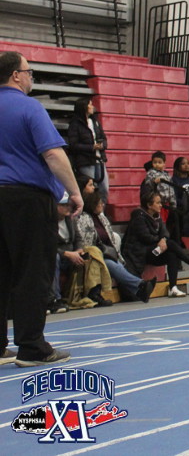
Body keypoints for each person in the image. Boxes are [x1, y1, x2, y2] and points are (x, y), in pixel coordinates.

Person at [0, 51, 82, 366]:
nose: (31, 77)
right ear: (15, 75)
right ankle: (32, 346)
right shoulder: (29, 107)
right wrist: (74, 192)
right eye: (29, 71)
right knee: (32, 272)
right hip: (27, 199)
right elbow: (53, 154)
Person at [122, 191, 189, 298]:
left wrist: (163, 239)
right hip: (140, 252)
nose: (161, 205)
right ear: (149, 205)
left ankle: (173, 288)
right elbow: (145, 237)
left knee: (171, 254)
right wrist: (161, 240)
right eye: (158, 203)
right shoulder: (138, 216)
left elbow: (165, 233)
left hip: (153, 251)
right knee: (170, 244)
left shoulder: (157, 216)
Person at [75, 192, 155, 303]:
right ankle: (140, 285)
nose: (102, 205)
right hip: (93, 255)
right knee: (111, 264)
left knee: (117, 264)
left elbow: (110, 240)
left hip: (105, 253)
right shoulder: (83, 219)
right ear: (93, 204)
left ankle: (139, 291)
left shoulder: (102, 219)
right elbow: (85, 242)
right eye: (100, 203)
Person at [65, 96, 109, 198]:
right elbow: (73, 145)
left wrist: (102, 145)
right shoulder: (75, 124)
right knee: (89, 189)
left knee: (104, 188)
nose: (92, 107)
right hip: (85, 161)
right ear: (84, 107)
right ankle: (89, 206)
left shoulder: (95, 122)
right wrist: (91, 147)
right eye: (90, 104)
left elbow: (103, 138)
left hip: (99, 159)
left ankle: (101, 207)